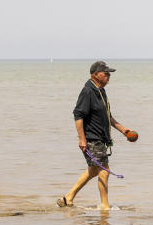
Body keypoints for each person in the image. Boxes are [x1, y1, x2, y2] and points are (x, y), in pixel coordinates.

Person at [57, 60, 134, 211]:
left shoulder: (101, 91)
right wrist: (82, 139)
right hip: (92, 138)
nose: (108, 76)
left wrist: (124, 130)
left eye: (109, 74)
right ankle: (105, 206)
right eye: (105, 73)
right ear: (95, 75)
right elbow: (78, 115)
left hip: (101, 138)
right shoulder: (88, 91)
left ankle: (68, 198)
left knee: (93, 171)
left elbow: (108, 116)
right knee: (104, 170)